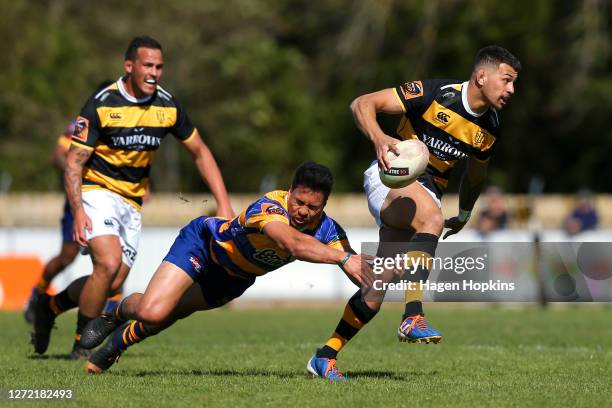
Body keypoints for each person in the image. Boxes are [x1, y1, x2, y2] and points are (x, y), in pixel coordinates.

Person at [307, 45, 521, 380]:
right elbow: (361, 103)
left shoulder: (489, 127)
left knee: (376, 285)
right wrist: (379, 139)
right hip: (390, 178)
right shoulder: (436, 93)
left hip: (425, 196)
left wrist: (465, 213)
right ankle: (413, 315)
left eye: (513, 83)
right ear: (481, 76)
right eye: (506, 80)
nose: (511, 90)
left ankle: (325, 356)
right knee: (432, 219)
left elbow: (475, 176)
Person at [31, 36, 234, 359]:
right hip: (97, 191)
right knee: (108, 263)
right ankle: (82, 343)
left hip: (132, 202)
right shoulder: (101, 103)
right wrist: (79, 211)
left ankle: (49, 305)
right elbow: (74, 162)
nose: (155, 72)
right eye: (148, 65)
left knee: (113, 279)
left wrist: (223, 203)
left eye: (159, 66)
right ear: (129, 67)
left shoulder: (167, 106)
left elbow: (200, 153)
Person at [79, 162, 370, 376]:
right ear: (290, 192)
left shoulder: (329, 229)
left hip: (233, 280)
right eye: (299, 202)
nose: (303, 212)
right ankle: (114, 313)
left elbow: (358, 269)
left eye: (313, 207)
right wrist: (342, 259)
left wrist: (391, 274)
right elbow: (292, 243)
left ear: (325, 205)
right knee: (152, 311)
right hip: (203, 246)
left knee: (171, 313)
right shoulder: (271, 206)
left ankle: (114, 346)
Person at [24, 82, 117, 324]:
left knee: (115, 262)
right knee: (67, 257)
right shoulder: (83, 123)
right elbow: (58, 154)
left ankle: (109, 315)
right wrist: (78, 172)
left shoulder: (127, 127)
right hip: (82, 201)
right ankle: (39, 293)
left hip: (115, 202)